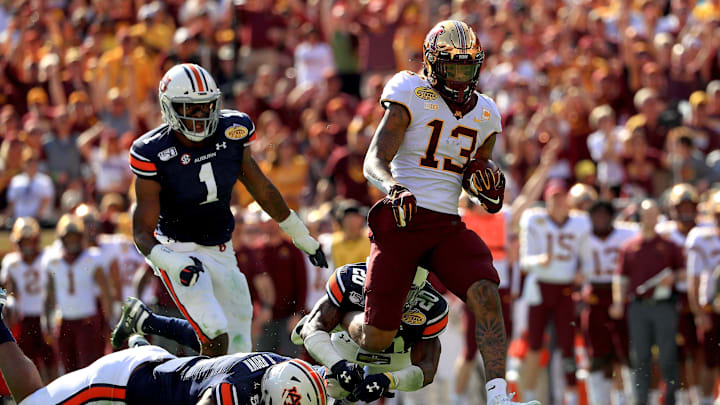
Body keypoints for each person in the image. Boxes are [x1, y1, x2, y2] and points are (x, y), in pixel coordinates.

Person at [354, 20, 538, 405]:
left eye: (467, 68)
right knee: (377, 338)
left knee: (487, 290)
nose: (459, 76)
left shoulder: (485, 113)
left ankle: (499, 395)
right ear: (431, 62)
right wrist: (393, 187)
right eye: (452, 67)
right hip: (402, 218)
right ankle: (345, 316)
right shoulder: (410, 92)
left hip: (447, 224)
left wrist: (487, 193)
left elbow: (476, 174)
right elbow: (375, 159)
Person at [125, 63, 327, 357]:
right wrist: (171, 262)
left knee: (239, 333)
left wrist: (301, 235)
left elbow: (262, 188)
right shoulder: (152, 150)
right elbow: (141, 233)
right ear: (169, 108)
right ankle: (208, 393)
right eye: (190, 109)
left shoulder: (232, 130)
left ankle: (150, 326)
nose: (200, 116)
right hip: (176, 247)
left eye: (206, 106)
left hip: (220, 246)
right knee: (214, 327)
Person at [0, 289, 328, 405]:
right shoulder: (233, 394)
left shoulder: (280, 367)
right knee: (32, 402)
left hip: (162, 371)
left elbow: (327, 381)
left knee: (219, 342)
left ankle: (143, 329)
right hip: (120, 386)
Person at [293, 264, 446, 403]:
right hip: (349, 342)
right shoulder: (350, 280)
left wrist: (390, 379)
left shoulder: (432, 307)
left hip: (395, 355)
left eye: (404, 289)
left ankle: (339, 323)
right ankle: (338, 323)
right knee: (336, 388)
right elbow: (311, 329)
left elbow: (427, 369)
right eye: (391, 285)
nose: (395, 295)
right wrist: (339, 365)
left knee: (370, 395)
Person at [518, 180, 592, 405]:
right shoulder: (534, 218)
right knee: (534, 345)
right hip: (540, 288)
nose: (559, 203)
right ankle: (528, 395)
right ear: (547, 201)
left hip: (566, 290)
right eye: (555, 198)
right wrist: (541, 260)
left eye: (562, 198)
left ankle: (570, 395)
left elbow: (587, 260)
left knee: (567, 346)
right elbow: (524, 262)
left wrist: (582, 273)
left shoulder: (580, 222)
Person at [611, 199, 683, 405]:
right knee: (640, 357)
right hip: (639, 307)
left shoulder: (669, 245)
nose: (651, 218)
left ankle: (670, 399)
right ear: (640, 217)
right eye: (647, 214)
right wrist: (618, 302)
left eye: (654, 214)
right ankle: (641, 400)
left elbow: (683, 273)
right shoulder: (630, 247)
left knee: (667, 356)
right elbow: (620, 279)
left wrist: (673, 278)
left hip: (664, 306)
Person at [582, 200, 637, 405]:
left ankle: (627, 399)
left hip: (620, 296)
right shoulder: (582, 235)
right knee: (597, 356)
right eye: (597, 215)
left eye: (605, 215)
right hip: (595, 296)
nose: (601, 220)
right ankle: (599, 401)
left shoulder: (627, 234)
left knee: (624, 353)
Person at [44, 214, 112, 372]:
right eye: (68, 238)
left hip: (87, 320)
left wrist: (109, 320)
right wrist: (46, 321)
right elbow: (48, 295)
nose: (72, 241)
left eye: (75, 237)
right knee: (68, 369)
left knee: (89, 368)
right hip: (64, 321)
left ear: (81, 237)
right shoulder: (52, 260)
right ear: (61, 239)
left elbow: (105, 292)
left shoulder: (93, 257)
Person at [0, 217, 57, 382]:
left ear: (37, 240)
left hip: (46, 314)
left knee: (51, 358)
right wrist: (8, 304)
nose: (27, 246)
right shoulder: (12, 262)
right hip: (25, 316)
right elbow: (6, 290)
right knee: (28, 358)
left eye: (30, 241)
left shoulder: (48, 257)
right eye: (23, 242)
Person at [686, 191, 720, 405]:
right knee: (709, 362)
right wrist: (698, 313)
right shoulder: (701, 237)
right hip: (712, 308)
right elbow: (693, 280)